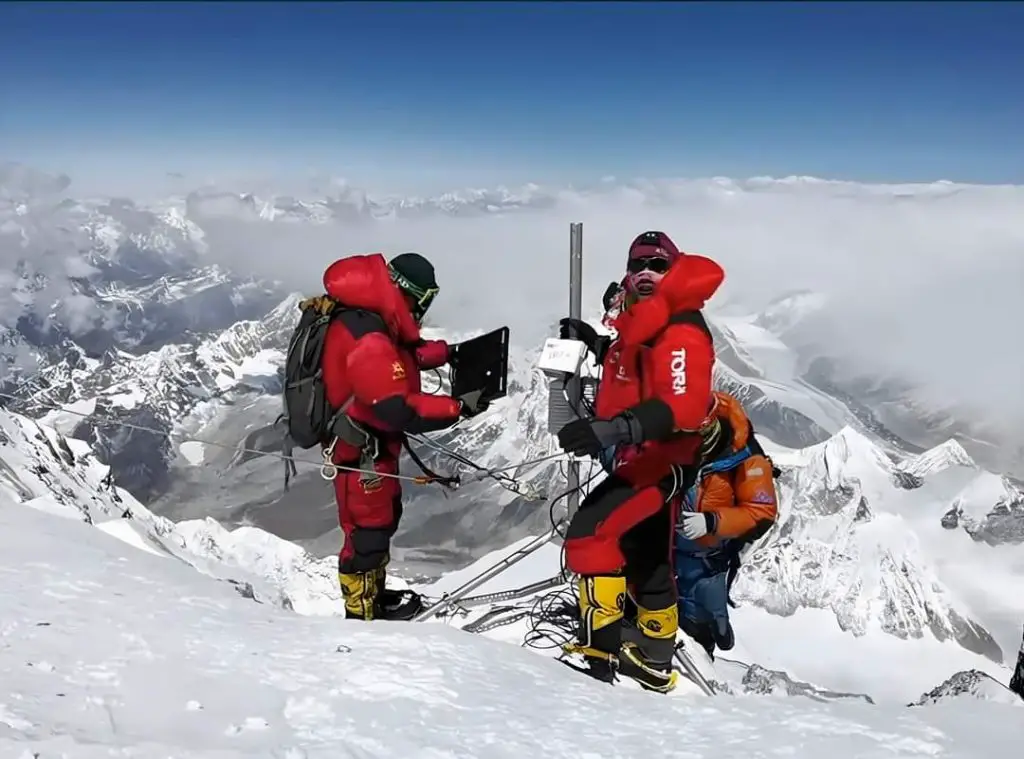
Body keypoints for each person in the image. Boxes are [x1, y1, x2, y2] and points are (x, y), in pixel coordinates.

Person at [555, 231, 724, 692]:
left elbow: (683, 406)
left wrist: (611, 429)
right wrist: (595, 343)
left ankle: (596, 655)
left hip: (660, 462)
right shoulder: (651, 322)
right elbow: (632, 365)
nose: (646, 272)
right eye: (638, 264)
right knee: (647, 555)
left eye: (658, 264)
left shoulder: (681, 329)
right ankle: (652, 658)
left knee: (591, 532)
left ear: (674, 270)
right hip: (644, 457)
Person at [318, 252, 489, 621]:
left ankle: (374, 598)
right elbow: (395, 408)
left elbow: (401, 355)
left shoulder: (372, 317)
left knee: (380, 521)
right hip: (362, 455)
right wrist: (457, 408)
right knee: (367, 534)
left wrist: (450, 353)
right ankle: (362, 613)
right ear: (413, 294)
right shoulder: (369, 336)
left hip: (373, 449)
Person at [674, 390, 779, 659]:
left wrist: (712, 521)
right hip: (661, 554)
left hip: (705, 564)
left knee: (697, 634)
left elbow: (762, 511)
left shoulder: (745, 457)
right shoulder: (670, 438)